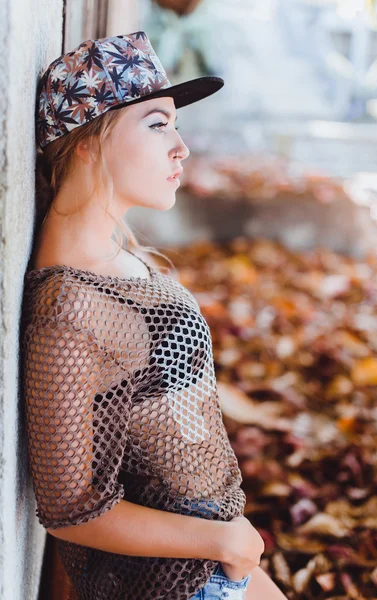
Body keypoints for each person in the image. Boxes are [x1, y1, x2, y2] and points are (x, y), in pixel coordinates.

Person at [21, 30, 288, 600]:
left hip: (215, 558)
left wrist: (233, 548)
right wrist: (221, 545)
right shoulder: (68, 309)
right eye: (157, 123)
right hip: (181, 578)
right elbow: (70, 512)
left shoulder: (113, 259)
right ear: (88, 140)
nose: (181, 147)